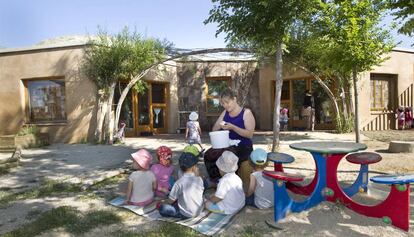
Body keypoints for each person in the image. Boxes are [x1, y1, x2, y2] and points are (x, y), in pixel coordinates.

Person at [211, 88, 255, 191]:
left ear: (234, 99)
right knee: (209, 154)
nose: (225, 105)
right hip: (229, 145)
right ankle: (217, 180)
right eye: (223, 103)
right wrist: (220, 126)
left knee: (228, 154)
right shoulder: (225, 113)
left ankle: (233, 184)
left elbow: (249, 134)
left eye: (227, 102)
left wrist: (233, 127)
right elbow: (214, 128)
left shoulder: (246, 113)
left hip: (244, 146)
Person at [158, 152, 204, 219]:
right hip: (199, 210)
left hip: (186, 214)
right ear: (194, 167)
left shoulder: (179, 183)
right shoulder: (199, 179)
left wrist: (164, 202)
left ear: (180, 167)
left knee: (163, 208)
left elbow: (170, 201)